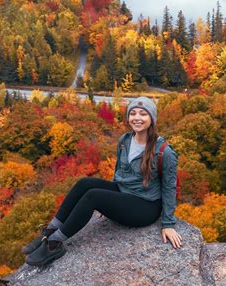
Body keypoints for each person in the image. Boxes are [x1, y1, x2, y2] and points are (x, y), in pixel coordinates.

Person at [23, 96, 182, 267]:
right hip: (124, 192)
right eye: (133, 113)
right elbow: (119, 171)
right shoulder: (125, 141)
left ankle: (54, 244)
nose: (137, 118)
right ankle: (49, 231)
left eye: (143, 114)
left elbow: (169, 188)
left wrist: (168, 224)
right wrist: (111, 202)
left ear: (152, 119)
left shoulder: (164, 152)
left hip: (145, 206)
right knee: (84, 183)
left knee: (93, 196)